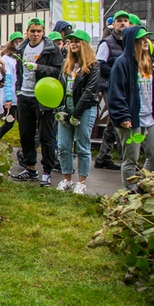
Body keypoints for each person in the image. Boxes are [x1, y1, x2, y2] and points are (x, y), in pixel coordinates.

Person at [107, 26, 154, 191]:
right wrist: (123, 116)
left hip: (148, 119)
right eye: (141, 39)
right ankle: (130, 193)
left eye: (146, 38)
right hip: (131, 121)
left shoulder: (146, 62)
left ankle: (143, 186)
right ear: (132, 41)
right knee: (131, 158)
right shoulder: (122, 63)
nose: (145, 41)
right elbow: (116, 94)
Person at [10, 18, 63, 186]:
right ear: (27, 32)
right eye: (32, 31)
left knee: (46, 136)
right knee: (26, 134)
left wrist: (39, 68)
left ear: (43, 33)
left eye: (39, 31)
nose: (35, 34)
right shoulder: (22, 48)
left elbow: (58, 71)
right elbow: (19, 72)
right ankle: (30, 168)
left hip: (43, 97)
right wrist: (18, 89)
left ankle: (47, 171)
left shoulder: (51, 49)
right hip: (25, 96)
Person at [55, 30, 99, 194]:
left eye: (77, 41)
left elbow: (89, 91)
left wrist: (77, 114)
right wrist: (59, 110)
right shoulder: (66, 65)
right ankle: (67, 179)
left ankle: (81, 181)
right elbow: (59, 88)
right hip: (66, 108)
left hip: (84, 109)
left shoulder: (93, 65)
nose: (73, 43)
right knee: (63, 146)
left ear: (85, 44)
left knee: (82, 146)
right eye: (71, 41)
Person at [95, 11, 131, 170]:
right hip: (110, 86)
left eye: (125, 21)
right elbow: (100, 64)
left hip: (126, 87)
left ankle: (103, 156)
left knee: (112, 122)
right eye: (119, 21)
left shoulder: (130, 42)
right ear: (113, 24)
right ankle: (126, 159)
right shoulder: (107, 43)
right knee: (119, 119)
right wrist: (118, 74)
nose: (122, 23)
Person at [0, 32, 21, 140]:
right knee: (9, 122)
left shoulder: (19, 58)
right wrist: (8, 98)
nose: (19, 44)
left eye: (20, 41)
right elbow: (8, 79)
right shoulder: (6, 59)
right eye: (16, 42)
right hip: (11, 96)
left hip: (20, 95)